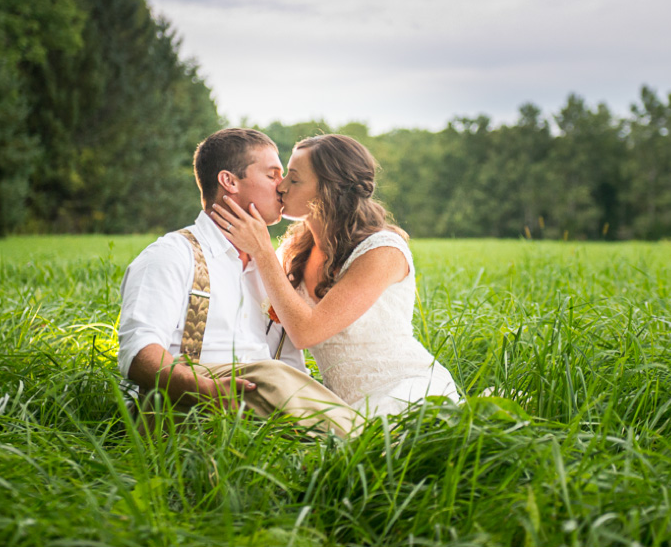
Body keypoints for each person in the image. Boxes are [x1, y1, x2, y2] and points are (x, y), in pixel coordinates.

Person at [117, 128, 362, 438]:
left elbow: (290, 364)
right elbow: (138, 353)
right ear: (229, 181)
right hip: (183, 405)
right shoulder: (171, 255)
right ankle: (381, 447)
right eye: (273, 175)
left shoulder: (270, 268)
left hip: (258, 413)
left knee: (279, 384)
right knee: (271, 376)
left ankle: (364, 449)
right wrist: (204, 389)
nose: (283, 187)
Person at [211, 133, 459, 417]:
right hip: (339, 405)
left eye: (294, 177)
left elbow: (306, 332)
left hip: (405, 389)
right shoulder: (295, 250)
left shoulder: (382, 251)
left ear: (327, 189)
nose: (281, 185)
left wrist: (262, 251)